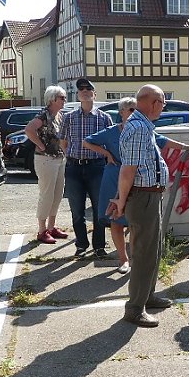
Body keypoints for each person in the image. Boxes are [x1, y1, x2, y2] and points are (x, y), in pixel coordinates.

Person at [110, 85, 189, 327]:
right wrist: (121, 202)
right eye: (163, 101)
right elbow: (128, 171)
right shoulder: (137, 128)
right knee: (144, 253)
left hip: (150, 195)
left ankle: (147, 296)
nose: (164, 106)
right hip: (143, 197)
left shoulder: (144, 126)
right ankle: (134, 308)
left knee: (153, 250)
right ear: (152, 103)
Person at [83, 97, 137, 274]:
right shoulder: (111, 131)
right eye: (129, 109)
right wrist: (106, 153)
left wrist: (185, 147)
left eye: (136, 109)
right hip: (114, 176)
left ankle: (136, 258)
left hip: (137, 177)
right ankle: (123, 259)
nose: (133, 113)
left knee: (136, 220)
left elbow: (161, 141)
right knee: (116, 219)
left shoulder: (141, 130)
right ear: (121, 112)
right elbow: (87, 141)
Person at [60, 78, 112, 256]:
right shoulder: (69, 117)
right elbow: (63, 142)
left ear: (94, 94)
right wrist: (72, 156)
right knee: (77, 209)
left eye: (88, 89)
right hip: (74, 167)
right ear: (77, 95)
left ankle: (99, 246)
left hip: (97, 167)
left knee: (100, 208)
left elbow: (110, 142)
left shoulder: (105, 118)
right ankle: (81, 244)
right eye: (81, 89)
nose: (84, 91)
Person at [25, 86, 67, 244]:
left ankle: (51, 226)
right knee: (47, 194)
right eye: (62, 97)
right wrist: (41, 146)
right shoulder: (43, 115)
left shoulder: (59, 116)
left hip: (59, 158)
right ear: (52, 99)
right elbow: (29, 129)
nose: (64, 100)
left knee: (58, 194)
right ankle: (42, 230)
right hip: (45, 159)